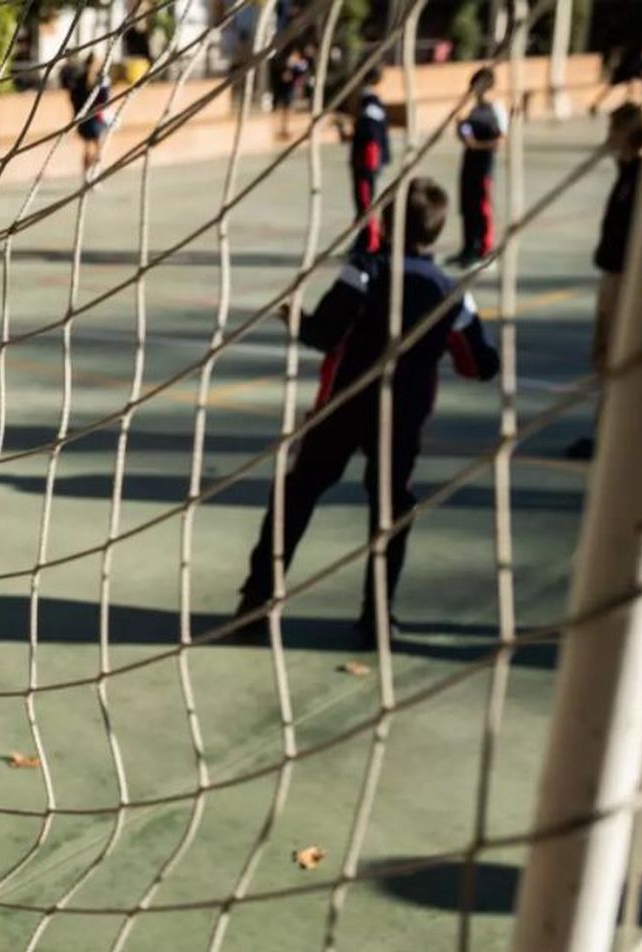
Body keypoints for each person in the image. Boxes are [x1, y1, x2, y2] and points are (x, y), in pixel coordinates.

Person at [232, 178, 500, 644]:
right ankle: (376, 616)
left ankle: (255, 604)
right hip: (402, 417)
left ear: (386, 223)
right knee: (390, 510)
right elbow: (480, 366)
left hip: (343, 405)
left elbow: (324, 333)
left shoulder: (364, 269)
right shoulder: (452, 292)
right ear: (436, 233)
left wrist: (294, 318)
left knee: (297, 495)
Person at [566, 103, 642, 460]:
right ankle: (605, 431)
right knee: (603, 355)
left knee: (617, 356)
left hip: (627, 281)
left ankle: (616, 437)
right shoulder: (628, 171)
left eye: (613, 130)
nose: (608, 137)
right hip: (613, 276)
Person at [451, 68, 508, 267]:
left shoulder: (496, 109)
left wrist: (478, 145)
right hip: (469, 163)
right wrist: (461, 129)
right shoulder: (473, 110)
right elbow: (466, 133)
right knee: (467, 206)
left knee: (482, 207)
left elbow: (500, 140)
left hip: (484, 165)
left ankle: (484, 250)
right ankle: (467, 247)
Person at [347, 66, 391, 254]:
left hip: (366, 160)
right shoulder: (370, 103)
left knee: (366, 201)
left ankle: (372, 242)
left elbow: (371, 135)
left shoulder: (370, 104)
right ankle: (365, 237)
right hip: (365, 158)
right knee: (362, 200)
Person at [67, 55, 112, 178]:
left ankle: (87, 173)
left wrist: (76, 114)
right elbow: (105, 99)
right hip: (95, 118)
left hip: (83, 119)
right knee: (99, 147)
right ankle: (94, 172)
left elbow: (72, 98)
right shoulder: (101, 80)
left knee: (87, 147)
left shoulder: (78, 80)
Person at [271, 44, 311, 140]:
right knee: (282, 109)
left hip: (290, 89)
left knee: (288, 109)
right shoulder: (284, 62)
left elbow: (302, 70)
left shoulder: (299, 64)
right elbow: (281, 72)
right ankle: (282, 129)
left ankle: (285, 129)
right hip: (283, 89)